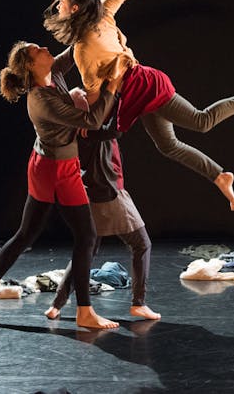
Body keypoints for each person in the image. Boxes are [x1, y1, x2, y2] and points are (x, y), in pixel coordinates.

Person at [43, 0, 234, 211]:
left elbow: (94, 96)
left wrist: (84, 122)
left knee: (201, 121)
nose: (58, 8)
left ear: (75, 9)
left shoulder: (83, 50)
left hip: (145, 88)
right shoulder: (103, 16)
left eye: (62, 4)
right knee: (168, 146)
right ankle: (219, 176)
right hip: (137, 93)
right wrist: (91, 1)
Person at [0, 41, 124, 329]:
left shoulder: (53, 73)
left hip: (54, 163)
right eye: (36, 50)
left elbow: (76, 49)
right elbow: (91, 120)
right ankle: (84, 311)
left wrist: (92, 22)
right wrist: (112, 87)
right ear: (31, 65)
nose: (44, 47)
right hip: (54, 170)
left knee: (28, 235)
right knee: (85, 236)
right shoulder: (41, 99)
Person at [44, 93, 161, 321]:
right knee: (141, 244)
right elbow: (116, 129)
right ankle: (139, 303)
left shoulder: (71, 130)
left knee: (86, 250)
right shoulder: (90, 129)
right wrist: (119, 94)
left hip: (89, 194)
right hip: (109, 194)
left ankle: (56, 305)